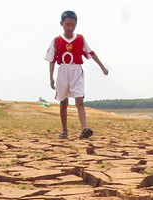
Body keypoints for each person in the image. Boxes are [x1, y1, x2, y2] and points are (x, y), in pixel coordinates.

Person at [45, 10, 108, 139]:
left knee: (79, 100)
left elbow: (90, 53)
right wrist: (51, 78)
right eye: (67, 24)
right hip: (63, 71)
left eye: (73, 25)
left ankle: (84, 128)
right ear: (62, 23)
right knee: (64, 102)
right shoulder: (57, 40)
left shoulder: (80, 39)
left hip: (77, 71)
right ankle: (64, 130)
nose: (70, 27)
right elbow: (51, 60)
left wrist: (102, 66)